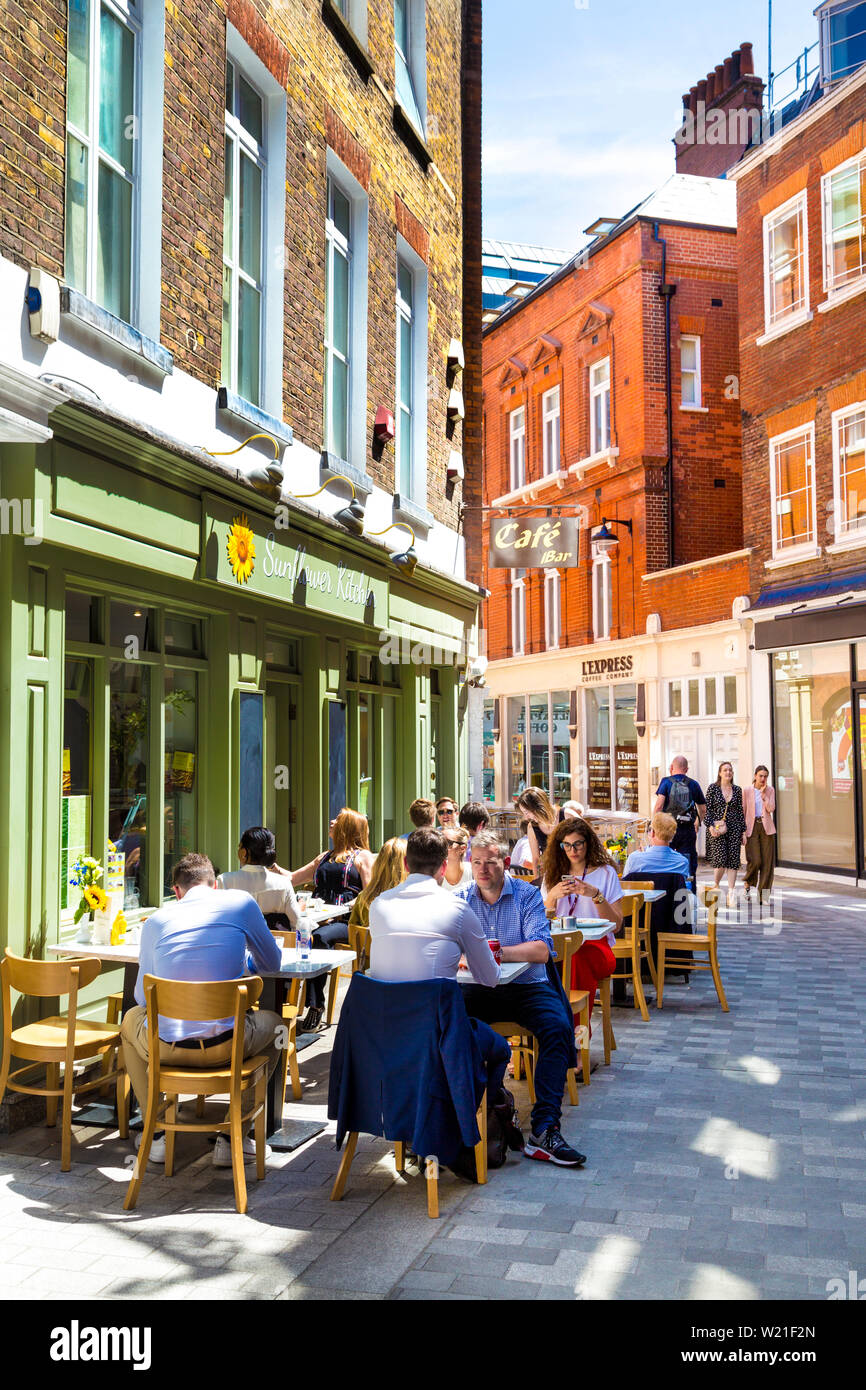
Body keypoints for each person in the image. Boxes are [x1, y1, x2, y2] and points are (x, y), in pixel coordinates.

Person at [120, 853, 282, 1168]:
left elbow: (142, 997)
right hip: (226, 1047)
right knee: (277, 1027)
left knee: (129, 1022)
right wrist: (245, 964)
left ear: (176, 891)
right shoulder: (241, 903)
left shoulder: (155, 921)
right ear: (215, 883)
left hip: (167, 1049)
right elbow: (272, 963)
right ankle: (234, 1134)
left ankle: (155, 1134)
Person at [368, 828, 521, 1156]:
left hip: (384, 1040)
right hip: (437, 1038)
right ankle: (465, 1125)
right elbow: (490, 978)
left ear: (406, 866)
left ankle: (420, 1125)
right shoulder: (456, 909)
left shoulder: (378, 905)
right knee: (497, 1049)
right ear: (442, 867)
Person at [457, 832, 586, 1168]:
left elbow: (541, 950)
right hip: (478, 989)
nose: (482, 869)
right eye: (477, 862)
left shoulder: (527, 896)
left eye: (490, 862)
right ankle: (467, 1117)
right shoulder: (461, 899)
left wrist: (491, 952)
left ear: (506, 863)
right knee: (446, 1025)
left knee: (558, 1027)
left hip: (526, 987)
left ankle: (544, 1129)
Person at [540, 818, 621, 1033]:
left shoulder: (605, 874)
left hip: (597, 947)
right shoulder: (553, 875)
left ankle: (576, 1044)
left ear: (588, 843)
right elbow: (539, 921)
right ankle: (537, 1046)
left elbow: (617, 924)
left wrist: (596, 895)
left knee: (576, 959)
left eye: (578, 844)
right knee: (533, 967)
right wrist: (552, 898)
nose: (572, 850)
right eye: (566, 845)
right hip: (559, 946)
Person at [303, 808, 375, 1030]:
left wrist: (354, 902)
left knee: (318, 938)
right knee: (293, 934)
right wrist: (269, 866)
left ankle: (315, 1007)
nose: (332, 821)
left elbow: (371, 891)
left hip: (346, 922)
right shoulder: (324, 856)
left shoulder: (363, 856)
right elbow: (292, 877)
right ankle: (282, 1004)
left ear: (349, 828)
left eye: (338, 819)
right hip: (318, 917)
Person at [216, 826, 300, 926]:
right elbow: (297, 922)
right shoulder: (283, 883)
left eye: (240, 846)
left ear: (244, 853)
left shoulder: (225, 881)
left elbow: (219, 921)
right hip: (275, 940)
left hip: (239, 941)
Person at [653, 756, 706, 888]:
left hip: (668, 830)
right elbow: (703, 809)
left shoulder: (666, 782)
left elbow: (659, 806)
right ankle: (688, 896)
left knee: (665, 861)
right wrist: (697, 823)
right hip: (687, 830)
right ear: (686, 769)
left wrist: (654, 826)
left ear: (671, 767)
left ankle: (666, 892)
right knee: (688, 863)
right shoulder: (694, 784)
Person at [704, 763, 747, 906]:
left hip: (734, 829)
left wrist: (743, 832)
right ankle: (716, 885)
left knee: (733, 861)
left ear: (732, 773)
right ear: (720, 773)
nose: (728, 772)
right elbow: (706, 810)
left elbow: (740, 812)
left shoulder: (737, 790)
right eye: (725, 770)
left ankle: (731, 892)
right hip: (717, 829)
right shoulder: (713, 788)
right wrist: (710, 826)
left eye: (730, 770)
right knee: (721, 860)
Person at [348, 838, 407, 932]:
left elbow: (352, 929)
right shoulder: (411, 900)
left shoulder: (364, 897)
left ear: (379, 862)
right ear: (407, 864)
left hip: (369, 946)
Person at [744, 764, 776, 908]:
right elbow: (743, 811)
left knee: (767, 863)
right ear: (755, 776)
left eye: (765, 776)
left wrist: (764, 796)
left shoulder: (770, 790)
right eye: (760, 776)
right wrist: (742, 832)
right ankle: (748, 883)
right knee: (755, 860)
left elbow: (771, 808)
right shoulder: (746, 791)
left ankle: (764, 896)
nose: (763, 779)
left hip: (766, 828)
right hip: (751, 827)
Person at [622, 812, 690, 879]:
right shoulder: (682, 862)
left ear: (652, 833)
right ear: (672, 836)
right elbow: (683, 888)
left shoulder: (634, 859)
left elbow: (625, 884)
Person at [515, 788, 561, 874]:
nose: (526, 817)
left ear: (538, 807)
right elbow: (536, 859)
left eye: (527, 812)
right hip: (552, 876)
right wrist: (537, 882)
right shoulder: (532, 827)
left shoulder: (567, 816)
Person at [442, 826, 473, 891]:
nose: (441, 847)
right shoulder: (432, 874)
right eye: (439, 841)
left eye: (447, 843)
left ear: (462, 848)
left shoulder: (474, 873)